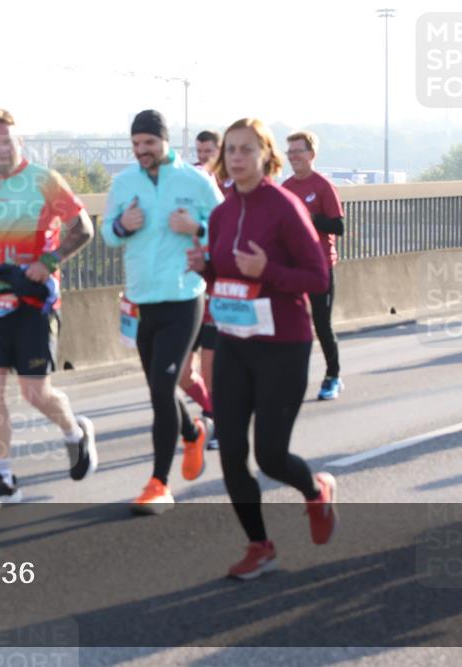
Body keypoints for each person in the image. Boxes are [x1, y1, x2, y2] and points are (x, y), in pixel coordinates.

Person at [188, 118, 338, 580]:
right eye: (229, 150)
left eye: (245, 150)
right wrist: (206, 269)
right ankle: (260, 546)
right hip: (235, 342)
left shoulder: (285, 207)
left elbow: (317, 279)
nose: (235, 157)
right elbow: (229, 276)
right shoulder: (221, 212)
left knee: (271, 455)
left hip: (283, 345)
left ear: (264, 156)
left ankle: (315, 490)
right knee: (231, 452)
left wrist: (268, 269)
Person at [0, 109, 98, 511]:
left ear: (20, 142)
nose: (0, 149)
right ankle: (4, 477)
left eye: (7, 141)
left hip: (33, 301)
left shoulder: (45, 180)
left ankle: (74, 432)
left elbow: (83, 228)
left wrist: (49, 262)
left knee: (35, 392)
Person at [102, 110, 224, 515]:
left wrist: (197, 228)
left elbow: (226, 224)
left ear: (165, 141)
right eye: (136, 145)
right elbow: (107, 234)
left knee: (161, 385)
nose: (142, 152)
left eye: (149, 144)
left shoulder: (195, 180)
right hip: (141, 300)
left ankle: (159, 484)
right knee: (160, 385)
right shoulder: (124, 182)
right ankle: (191, 432)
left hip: (184, 296)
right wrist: (123, 224)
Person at [282, 130, 346, 400]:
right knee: (289, 326)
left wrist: (310, 217)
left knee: (322, 325)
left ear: (311, 155)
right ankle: (286, 380)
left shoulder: (322, 186)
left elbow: (338, 226)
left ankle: (333, 376)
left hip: (320, 267)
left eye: (298, 151)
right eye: (290, 152)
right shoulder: (285, 188)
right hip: (292, 269)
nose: (294, 156)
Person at [184, 129, 223, 448]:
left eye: (208, 152)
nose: (203, 158)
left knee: (211, 369)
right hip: (187, 290)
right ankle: (213, 409)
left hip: (219, 293)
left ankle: (219, 420)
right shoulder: (190, 183)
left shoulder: (234, 187)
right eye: (198, 152)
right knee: (183, 374)